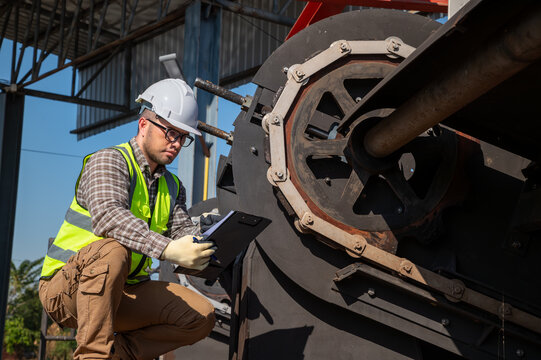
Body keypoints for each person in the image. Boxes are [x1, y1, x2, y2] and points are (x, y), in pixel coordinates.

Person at [38, 78, 217, 359]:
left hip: (123, 291)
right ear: (144, 125)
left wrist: (208, 235)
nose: (177, 143)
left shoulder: (172, 186)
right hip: (66, 290)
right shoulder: (109, 160)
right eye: (170, 132)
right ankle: (93, 356)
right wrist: (168, 250)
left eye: (183, 137)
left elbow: (182, 234)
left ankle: (116, 356)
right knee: (113, 248)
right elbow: (110, 217)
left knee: (200, 316)